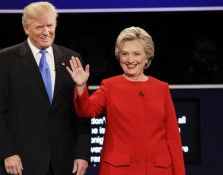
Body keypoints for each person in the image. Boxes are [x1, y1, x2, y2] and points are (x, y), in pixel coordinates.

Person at [0, 1, 90, 175]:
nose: (46, 32)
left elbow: (81, 112)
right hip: (21, 161)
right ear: (26, 29)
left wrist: (82, 153)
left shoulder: (71, 58)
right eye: (39, 27)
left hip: (63, 161)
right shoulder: (6, 59)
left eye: (50, 26)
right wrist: (8, 152)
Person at [66, 26, 185, 175]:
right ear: (119, 56)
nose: (130, 60)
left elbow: (173, 138)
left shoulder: (161, 88)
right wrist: (81, 86)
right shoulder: (109, 86)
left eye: (136, 54)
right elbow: (86, 110)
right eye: (125, 54)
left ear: (147, 57)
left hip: (158, 170)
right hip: (119, 169)